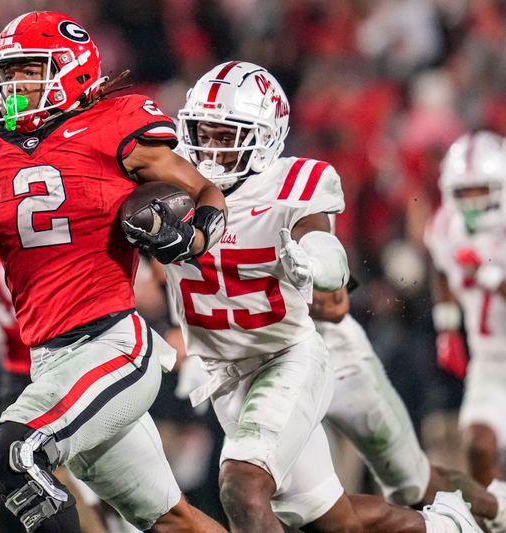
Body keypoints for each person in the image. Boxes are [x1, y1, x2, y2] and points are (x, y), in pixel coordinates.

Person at [0, 10, 227, 533]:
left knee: (16, 456)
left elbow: (203, 191)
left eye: (27, 70)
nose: (13, 85)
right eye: (7, 72)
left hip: (111, 343)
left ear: (73, 70)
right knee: (169, 521)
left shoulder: (115, 125)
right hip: (49, 358)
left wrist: (195, 236)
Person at [160, 60, 483, 532]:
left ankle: (479, 507)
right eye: (202, 133)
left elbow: (326, 254)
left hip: (287, 358)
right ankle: (446, 526)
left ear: (265, 136)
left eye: (224, 135)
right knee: (333, 521)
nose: (209, 149)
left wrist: (312, 263)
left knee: (242, 486)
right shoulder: (169, 187)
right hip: (226, 373)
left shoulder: (291, 185)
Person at [311, 284, 506, 531]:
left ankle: (489, 512)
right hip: (273, 380)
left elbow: (334, 299)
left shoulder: (300, 248)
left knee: (414, 483)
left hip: (334, 363)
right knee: (286, 501)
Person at [425, 131, 506, 490]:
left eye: (481, 189)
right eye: (464, 191)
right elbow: (441, 269)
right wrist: (448, 329)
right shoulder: (445, 225)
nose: (472, 202)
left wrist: (488, 274)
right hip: (490, 361)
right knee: (478, 446)